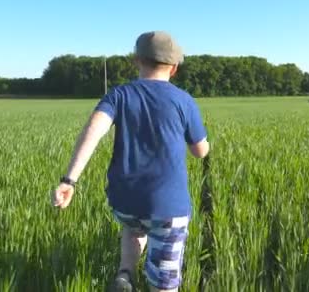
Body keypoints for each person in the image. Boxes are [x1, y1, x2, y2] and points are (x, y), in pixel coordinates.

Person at [51, 31, 210, 292]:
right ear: (174, 68)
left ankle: (125, 274)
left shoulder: (119, 95)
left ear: (136, 60)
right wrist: (204, 144)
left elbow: (93, 130)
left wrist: (70, 180)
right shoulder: (184, 100)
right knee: (164, 282)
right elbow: (199, 151)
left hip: (125, 199)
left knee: (135, 228)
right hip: (167, 205)